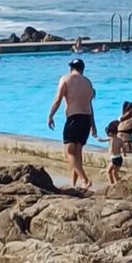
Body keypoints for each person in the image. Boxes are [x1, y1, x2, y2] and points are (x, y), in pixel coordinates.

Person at [47, 58, 98, 190]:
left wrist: (51, 115)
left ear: (71, 68)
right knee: (78, 152)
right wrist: (93, 125)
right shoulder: (88, 82)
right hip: (86, 118)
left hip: (74, 117)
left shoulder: (65, 79)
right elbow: (90, 105)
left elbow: (58, 99)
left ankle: (85, 180)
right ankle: (75, 185)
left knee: (69, 152)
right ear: (82, 69)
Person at [104, 119, 125, 188]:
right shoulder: (120, 140)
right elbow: (124, 148)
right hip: (119, 158)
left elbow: (102, 140)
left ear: (110, 133)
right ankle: (120, 184)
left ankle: (112, 185)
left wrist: (96, 137)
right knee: (115, 173)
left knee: (109, 172)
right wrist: (124, 154)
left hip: (114, 158)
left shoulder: (111, 139)